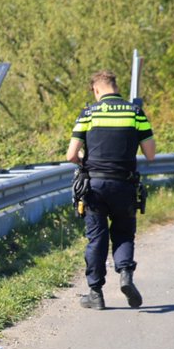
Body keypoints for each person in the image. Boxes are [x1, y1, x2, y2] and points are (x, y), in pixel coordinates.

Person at [65, 69, 156, 310]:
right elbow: (151, 154)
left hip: (94, 186)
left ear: (96, 89)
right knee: (124, 232)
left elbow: (71, 155)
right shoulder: (135, 113)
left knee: (97, 237)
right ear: (115, 87)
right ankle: (125, 273)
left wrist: (87, 156)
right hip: (124, 184)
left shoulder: (88, 113)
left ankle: (96, 293)